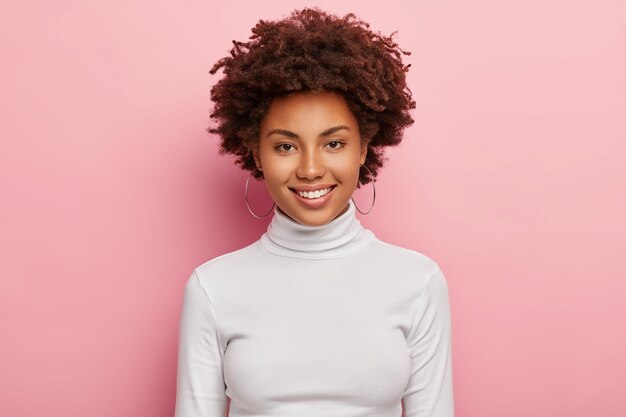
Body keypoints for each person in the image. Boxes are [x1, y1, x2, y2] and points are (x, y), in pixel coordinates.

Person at [175, 7, 454, 417]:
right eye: (285, 146)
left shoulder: (418, 282)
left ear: (363, 148)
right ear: (257, 153)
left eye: (334, 144)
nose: (309, 169)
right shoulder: (212, 288)